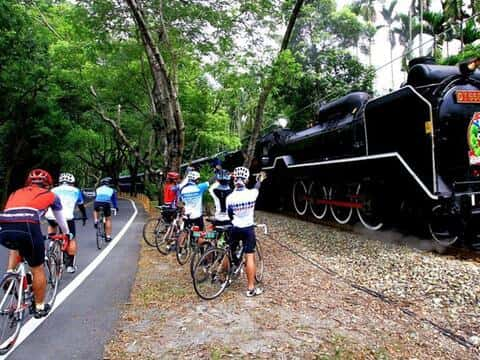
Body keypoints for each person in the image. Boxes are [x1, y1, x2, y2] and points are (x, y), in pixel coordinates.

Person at [0, 169, 72, 318]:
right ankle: (39, 307)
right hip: (28, 226)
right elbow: (60, 220)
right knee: (37, 268)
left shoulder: (15, 192)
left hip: (4, 225)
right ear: (49, 184)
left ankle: (11, 274)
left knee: (17, 245)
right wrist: (66, 234)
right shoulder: (51, 195)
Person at [226, 167, 267, 297]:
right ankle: (250, 288)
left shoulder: (230, 198)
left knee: (228, 252)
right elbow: (257, 186)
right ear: (246, 180)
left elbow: (230, 215)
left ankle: (221, 277)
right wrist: (260, 179)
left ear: (234, 180)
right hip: (248, 229)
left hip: (235, 228)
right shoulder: (251, 194)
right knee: (249, 257)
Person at [45, 172, 87, 273]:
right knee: (71, 238)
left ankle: (51, 243)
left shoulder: (53, 190)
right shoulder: (76, 191)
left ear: (60, 182)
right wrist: (84, 216)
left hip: (51, 216)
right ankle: (70, 266)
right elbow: (81, 206)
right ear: (72, 183)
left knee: (52, 224)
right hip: (67, 217)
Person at [93, 178, 118, 242]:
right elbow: (114, 200)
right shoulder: (112, 190)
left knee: (95, 210)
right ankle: (108, 237)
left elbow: (96, 197)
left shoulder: (98, 189)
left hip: (97, 202)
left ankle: (95, 220)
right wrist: (116, 207)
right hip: (106, 203)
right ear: (108, 184)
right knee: (108, 219)